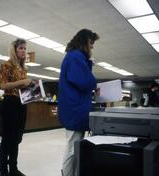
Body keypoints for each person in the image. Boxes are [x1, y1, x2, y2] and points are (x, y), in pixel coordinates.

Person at [58, 29, 99, 176]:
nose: (93, 46)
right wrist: (94, 84)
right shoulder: (76, 57)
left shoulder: (75, 56)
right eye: (91, 42)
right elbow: (84, 81)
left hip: (75, 108)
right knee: (72, 149)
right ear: (84, 41)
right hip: (75, 110)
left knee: (75, 147)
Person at [0, 38, 32, 176]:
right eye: (21, 48)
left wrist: (32, 89)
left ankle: (13, 168)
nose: (23, 51)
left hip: (21, 103)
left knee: (17, 138)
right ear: (14, 49)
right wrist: (22, 82)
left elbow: (22, 87)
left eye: (25, 48)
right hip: (10, 103)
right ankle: (3, 170)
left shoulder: (23, 68)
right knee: (7, 138)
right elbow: (3, 85)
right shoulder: (6, 65)